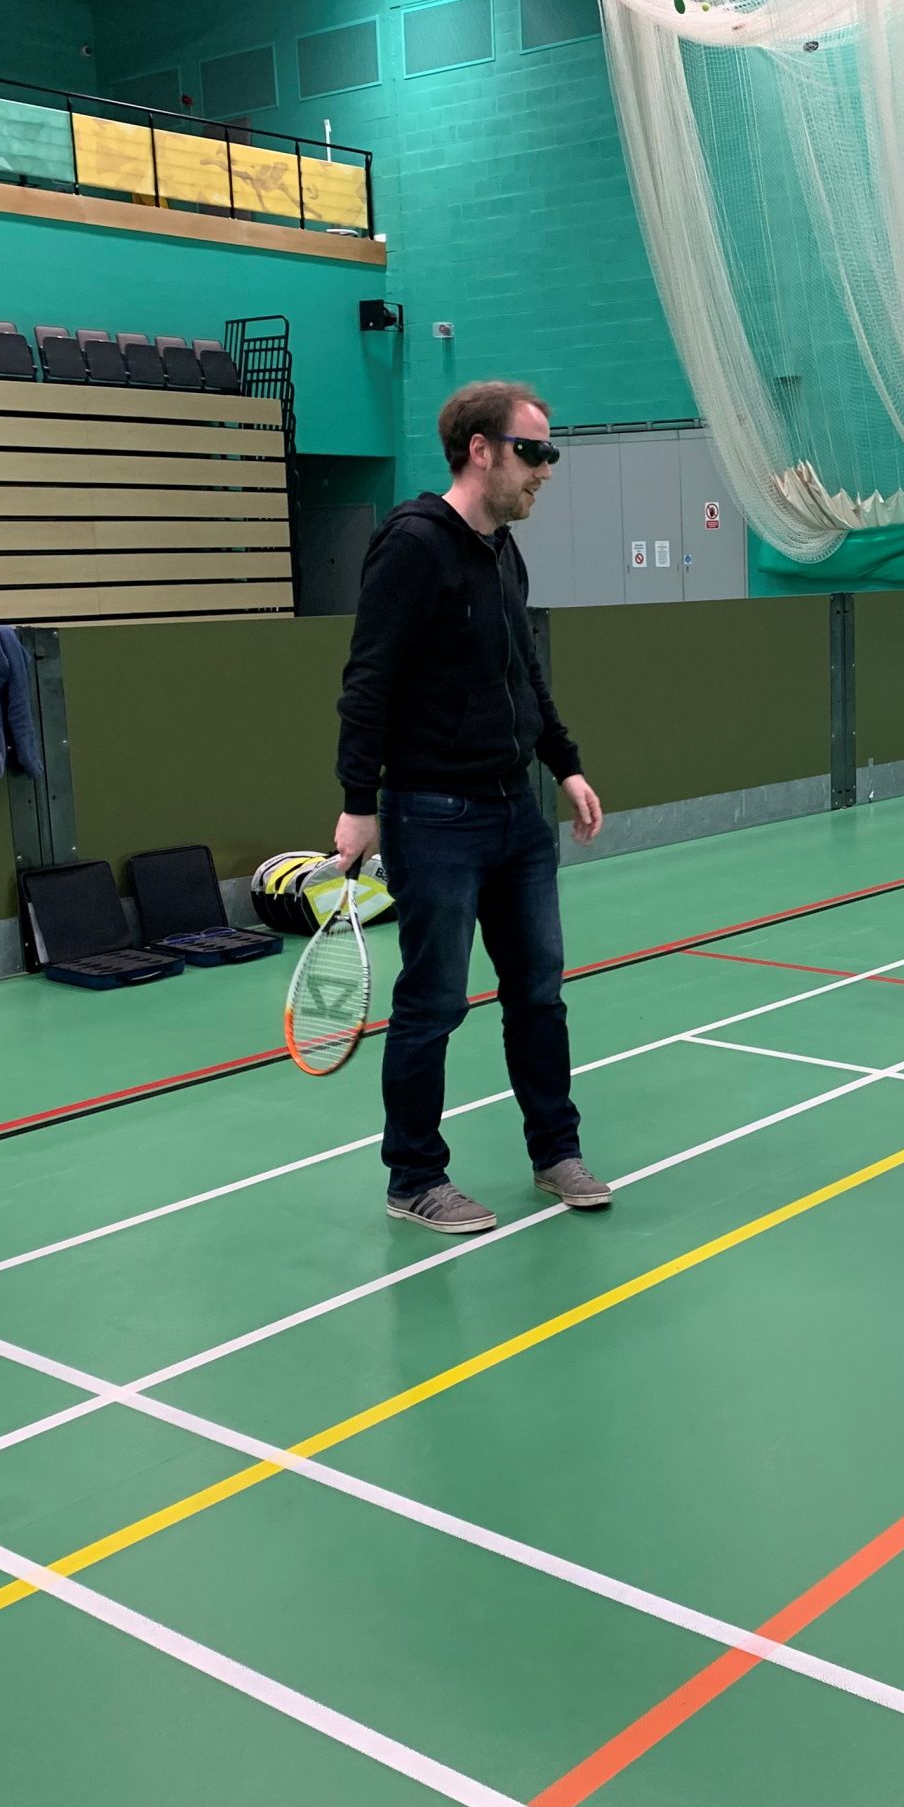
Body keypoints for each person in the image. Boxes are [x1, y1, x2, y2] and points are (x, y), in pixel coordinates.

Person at [333, 380, 611, 1235]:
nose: (546, 469)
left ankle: (556, 1152)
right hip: (432, 816)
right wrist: (358, 802)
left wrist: (564, 765)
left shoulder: (503, 553)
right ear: (481, 451)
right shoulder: (413, 546)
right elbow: (368, 679)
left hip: (514, 812)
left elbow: (524, 672)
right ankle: (414, 1176)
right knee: (433, 1003)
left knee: (539, 993)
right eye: (533, 452)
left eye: (550, 453)